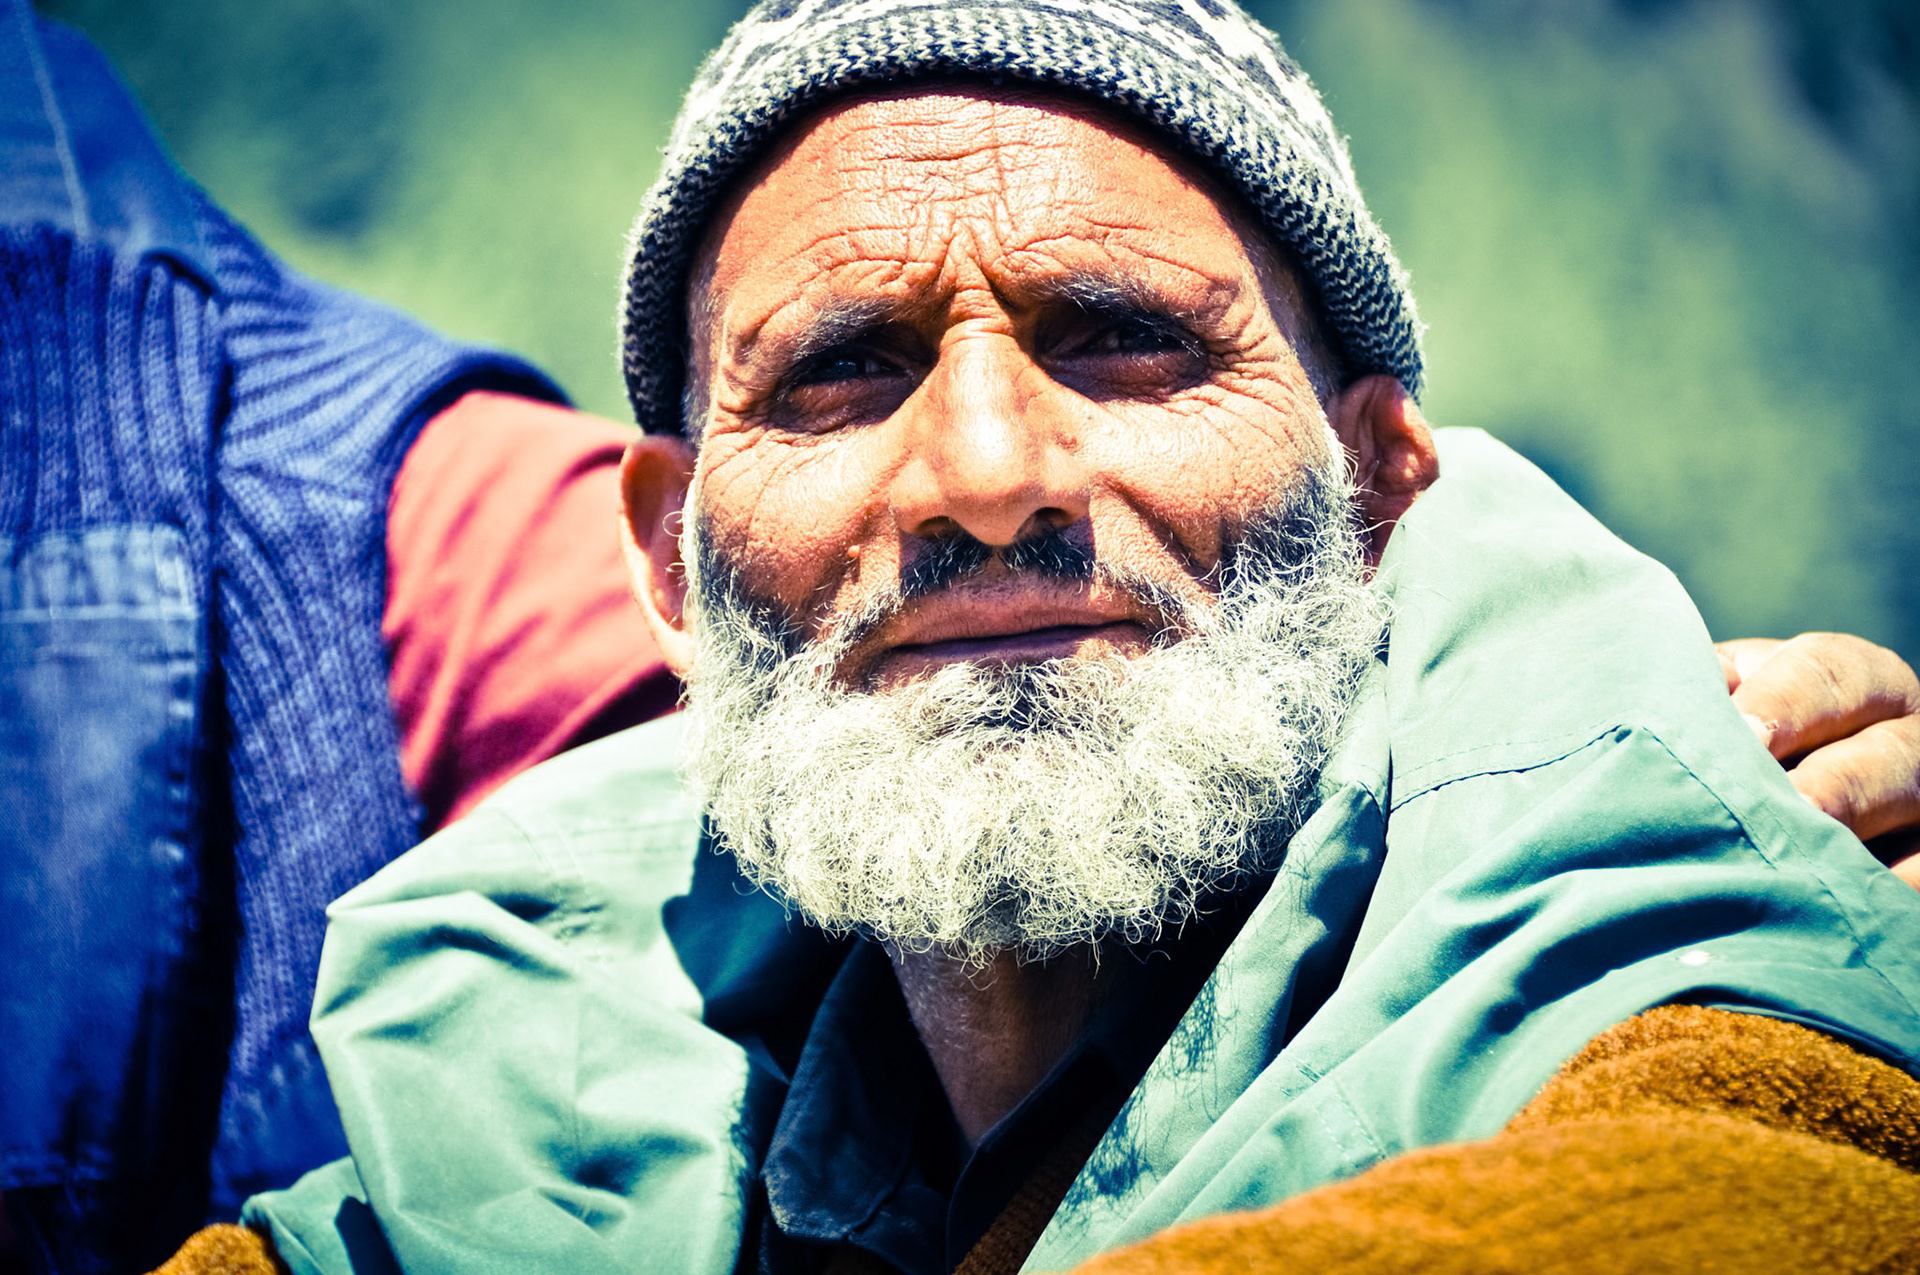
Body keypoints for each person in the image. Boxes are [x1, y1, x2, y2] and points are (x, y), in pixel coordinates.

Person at [130, 1, 1920, 1272]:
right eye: (840, 370)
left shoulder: (1655, 905)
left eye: (1123, 334)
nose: (986, 475)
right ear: (670, 562)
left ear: (1378, 494)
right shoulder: (496, 1064)